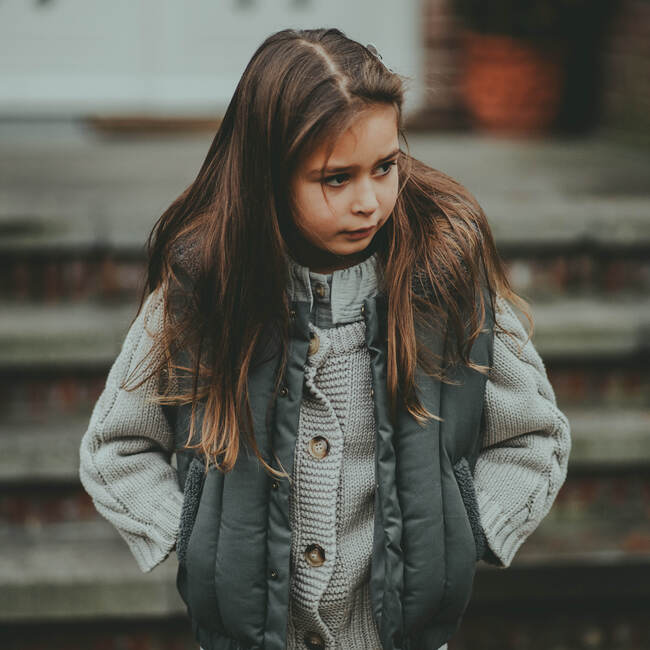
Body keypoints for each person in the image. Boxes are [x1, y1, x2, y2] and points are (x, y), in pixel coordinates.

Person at [78, 27, 571, 650]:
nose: (369, 201)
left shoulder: (442, 281)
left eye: (385, 167)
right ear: (269, 176)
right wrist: (202, 536)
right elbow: (117, 447)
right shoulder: (205, 292)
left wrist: (464, 526)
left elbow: (535, 435)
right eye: (336, 178)